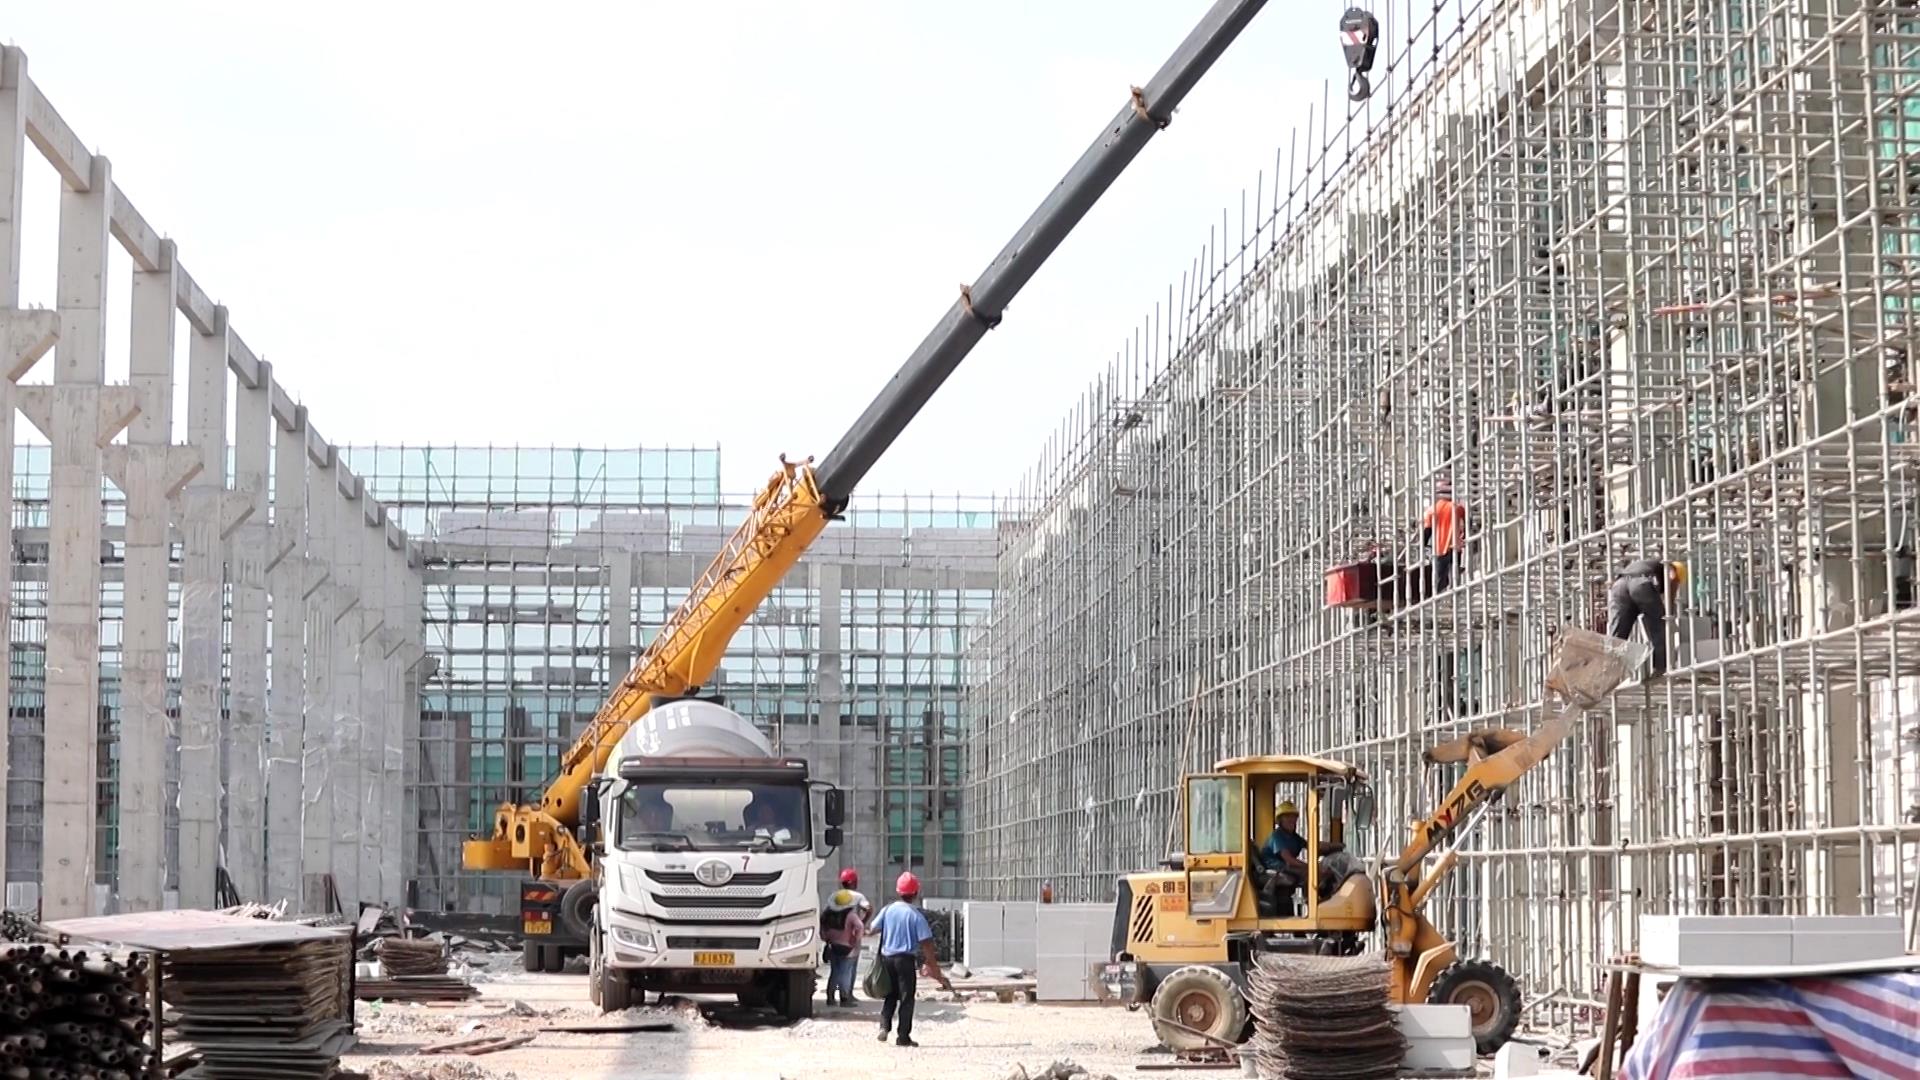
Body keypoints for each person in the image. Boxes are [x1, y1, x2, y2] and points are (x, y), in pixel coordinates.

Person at [866, 872, 948, 1047]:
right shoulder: (916, 916)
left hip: (887, 958)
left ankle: (884, 1026)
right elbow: (927, 944)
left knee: (890, 994)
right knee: (906, 998)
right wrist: (935, 969)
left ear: (898, 891)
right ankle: (903, 1037)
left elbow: (871, 929)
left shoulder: (888, 910)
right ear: (916, 893)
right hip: (904, 961)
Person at [1608, 558, 1684, 681]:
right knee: (1657, 626)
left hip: (1619, 585)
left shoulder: (1650, 564)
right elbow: (1672, 581)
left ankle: (1609, 670)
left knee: (1618, 632)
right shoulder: (1671, 568)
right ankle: (1660, 668)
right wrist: (1669, 615)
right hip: (1640, 583)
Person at [1254, 800, 1309, 915]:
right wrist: (1310, 866)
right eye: (1287, 817)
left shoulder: (1293, 836)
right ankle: (1310, 904)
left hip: (1284, 866)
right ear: (1280, 820)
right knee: (1308, 873)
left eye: (1294, 817)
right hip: (1274, 868)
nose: (1292, 820)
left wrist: (1330, 847)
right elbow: (1288, 859)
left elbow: (1310, 845)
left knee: (1310, 872)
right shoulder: (1277, 836)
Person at [820, 887, 866, 1006]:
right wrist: (856, 939)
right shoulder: (850, 915)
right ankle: (844, 998)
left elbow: (822, 928)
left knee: (834, 972)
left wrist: (826, 938)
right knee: (845, 973)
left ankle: (830, 998)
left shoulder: (828, 914)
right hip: (847, 947)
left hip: (833, 945)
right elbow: (860, 926)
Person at [1423, 479, 1466, 592]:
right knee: (1454, 574)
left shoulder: (1432, 510)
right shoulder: (1458, 508)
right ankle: (1455, 595)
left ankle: (1438, 598)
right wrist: (1463, 538)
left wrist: (1422, 545)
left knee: (1439, 578)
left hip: (1439, 548)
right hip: (1455, 546)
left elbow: (1427, 530)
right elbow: (1467, 525)